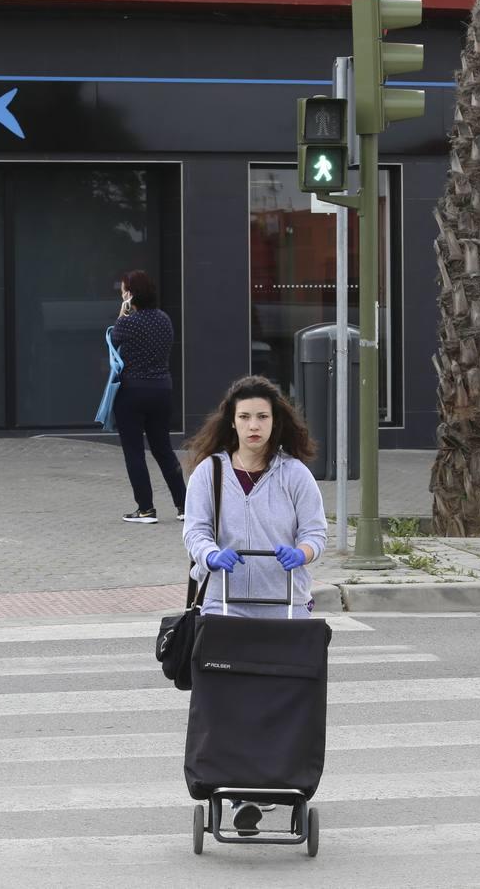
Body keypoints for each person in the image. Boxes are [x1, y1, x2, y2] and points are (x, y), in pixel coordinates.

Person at [181, 374, 327, 835]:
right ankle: (239, 790)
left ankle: (268, 784)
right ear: (233, 422)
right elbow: (194, 531)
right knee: (229, 703)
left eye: (262, 416)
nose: (254, 425)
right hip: (226, 605)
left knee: (276, 703)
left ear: (276, 420)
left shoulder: (294, 474)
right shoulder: (212, 472)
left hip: (283, 606)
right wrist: (209, 555)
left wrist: (299, 554)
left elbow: (316, 534)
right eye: (245, 417)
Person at [111, 270, 187, 524]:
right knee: (163, 449)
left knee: (134, 452)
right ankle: (184, 505)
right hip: (162, 390)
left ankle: (146, 509)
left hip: (132, 391)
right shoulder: (164, 319)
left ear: (130, 294)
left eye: (124, 290)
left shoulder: (127, 322)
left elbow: (112, 340)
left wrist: (123, 312)